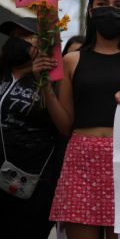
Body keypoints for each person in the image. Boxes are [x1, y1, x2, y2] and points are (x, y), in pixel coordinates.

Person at [33, 0, 120, 239]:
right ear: (90, 10)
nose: (110, 9)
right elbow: (65, 125)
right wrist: (44, 84)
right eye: (102, 4)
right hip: (81, 161)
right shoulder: (72, 60)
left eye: (119, 5)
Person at [0, 17, 63, 238]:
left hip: (32, 188)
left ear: (43, 44)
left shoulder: (53, 83)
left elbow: (63, 130)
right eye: (14, 36)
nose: (17, 41)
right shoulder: (2, 73)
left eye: (25, 36)